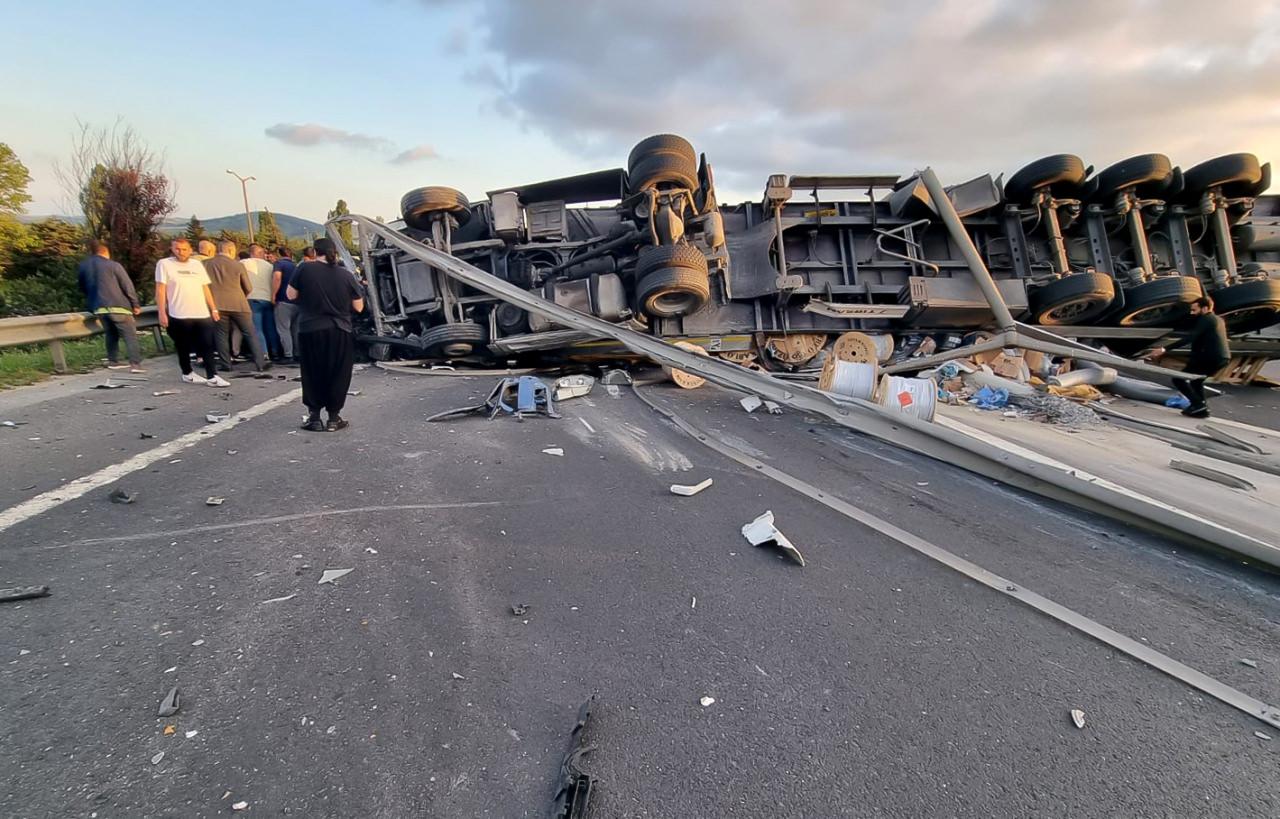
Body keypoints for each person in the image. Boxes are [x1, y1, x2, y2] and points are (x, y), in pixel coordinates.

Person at [287, 237, 363, 431]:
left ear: (314, 251)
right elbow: (359, 306)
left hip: (310, 329)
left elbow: (290, 295)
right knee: (338, 372)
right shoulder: (346, 275)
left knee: (312, 372)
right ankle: (334, 418)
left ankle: (314, 418)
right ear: (334, 252)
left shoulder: (304, 268)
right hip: (339, 330)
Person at [155, 238, 230, 387]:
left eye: (184, 249)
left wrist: (213, 308)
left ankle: (212, 376)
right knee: (183, 345)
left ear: (190, 250)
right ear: (172, 249)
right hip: (179, 313)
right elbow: (160, 289)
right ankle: (187, 373)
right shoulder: (164, 264)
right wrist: (162, 312)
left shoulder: (196, 265)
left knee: (207, 344)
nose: (181, 252)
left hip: (201, 312)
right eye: (177, 249)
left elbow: (205, 288)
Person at [1145, 295, 1230, 418]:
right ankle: (1201, 408)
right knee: (1197, 381)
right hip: (1222, 358)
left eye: (1195, 310)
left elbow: (1191, 337)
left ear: (1205, 309)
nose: (1192, 313)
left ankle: (1198, 404)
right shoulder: (1218, 319)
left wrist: (1164, 349)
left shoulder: (1205, 319)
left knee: (1178, 379)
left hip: (1209, 357)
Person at [76, 239, 144, 372]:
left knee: (111, 334)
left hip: (99, 307)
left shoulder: (84, 266)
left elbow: (82, 286)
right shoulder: (113, 265)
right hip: (119, 306)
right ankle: (135, 364)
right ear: (106, 252)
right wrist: (135, 304)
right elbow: (127, 285)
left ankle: (113, 361)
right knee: (129, 335)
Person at [204, 240, 269, 372]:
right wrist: (242, 296)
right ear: (231, 250)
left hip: (217, 304)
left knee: (221, 334)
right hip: (239, 303)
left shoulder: (206, 264)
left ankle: (226, 364)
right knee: (250, 333)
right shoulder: (237, 265)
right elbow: (248, 287)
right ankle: (260, 363)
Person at [242, 243, 281, 361]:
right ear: (260, 253)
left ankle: (263, 354)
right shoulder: (269, 266)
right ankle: (275, 351)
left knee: (257, 328)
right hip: (268, 298)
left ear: (251, 253)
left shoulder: (243, 263)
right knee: (270, 327)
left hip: (252, 298)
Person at [272, 244, 301, 362]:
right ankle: (298, 353)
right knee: (295, 329)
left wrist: (273, 295)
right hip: (297, 302)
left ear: (279, 255)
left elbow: (277, 278)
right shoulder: (297, 266)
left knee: (283, 329)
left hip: (283, 300)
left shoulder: (279, 264)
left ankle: (288, 354)